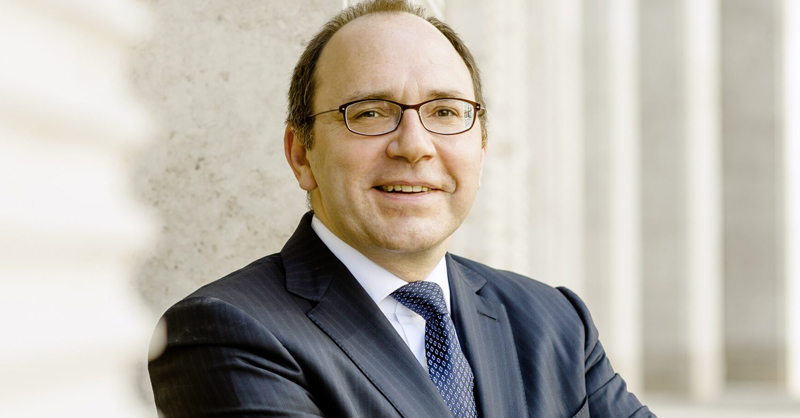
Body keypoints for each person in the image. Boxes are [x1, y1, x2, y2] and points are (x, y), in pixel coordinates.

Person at [148, 1, 656, 417]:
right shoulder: (223, 333)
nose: (414, 146)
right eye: (370, 112)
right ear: (302, 155)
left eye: (445, 111)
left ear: (481, 147)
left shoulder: (554, 322)